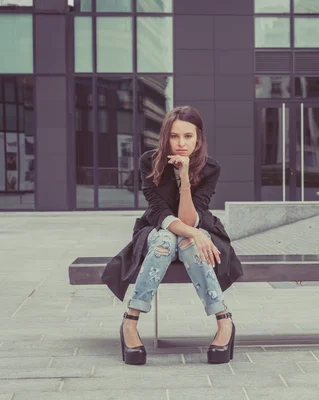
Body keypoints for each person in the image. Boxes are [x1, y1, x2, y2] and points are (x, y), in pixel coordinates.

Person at [101, 105, 243, 365]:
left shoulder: (210, 168)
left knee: (188, 243)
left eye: (188, 136)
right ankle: (131, 323)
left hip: (194, 230)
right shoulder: (149, 162)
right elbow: (161, 213)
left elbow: (190, 218)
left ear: (198, 138)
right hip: (157, 229)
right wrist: (195, 233)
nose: (181, 143)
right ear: (165, 137)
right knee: (170, 239)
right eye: (174, 136)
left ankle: (224, 322)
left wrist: (185, 179)